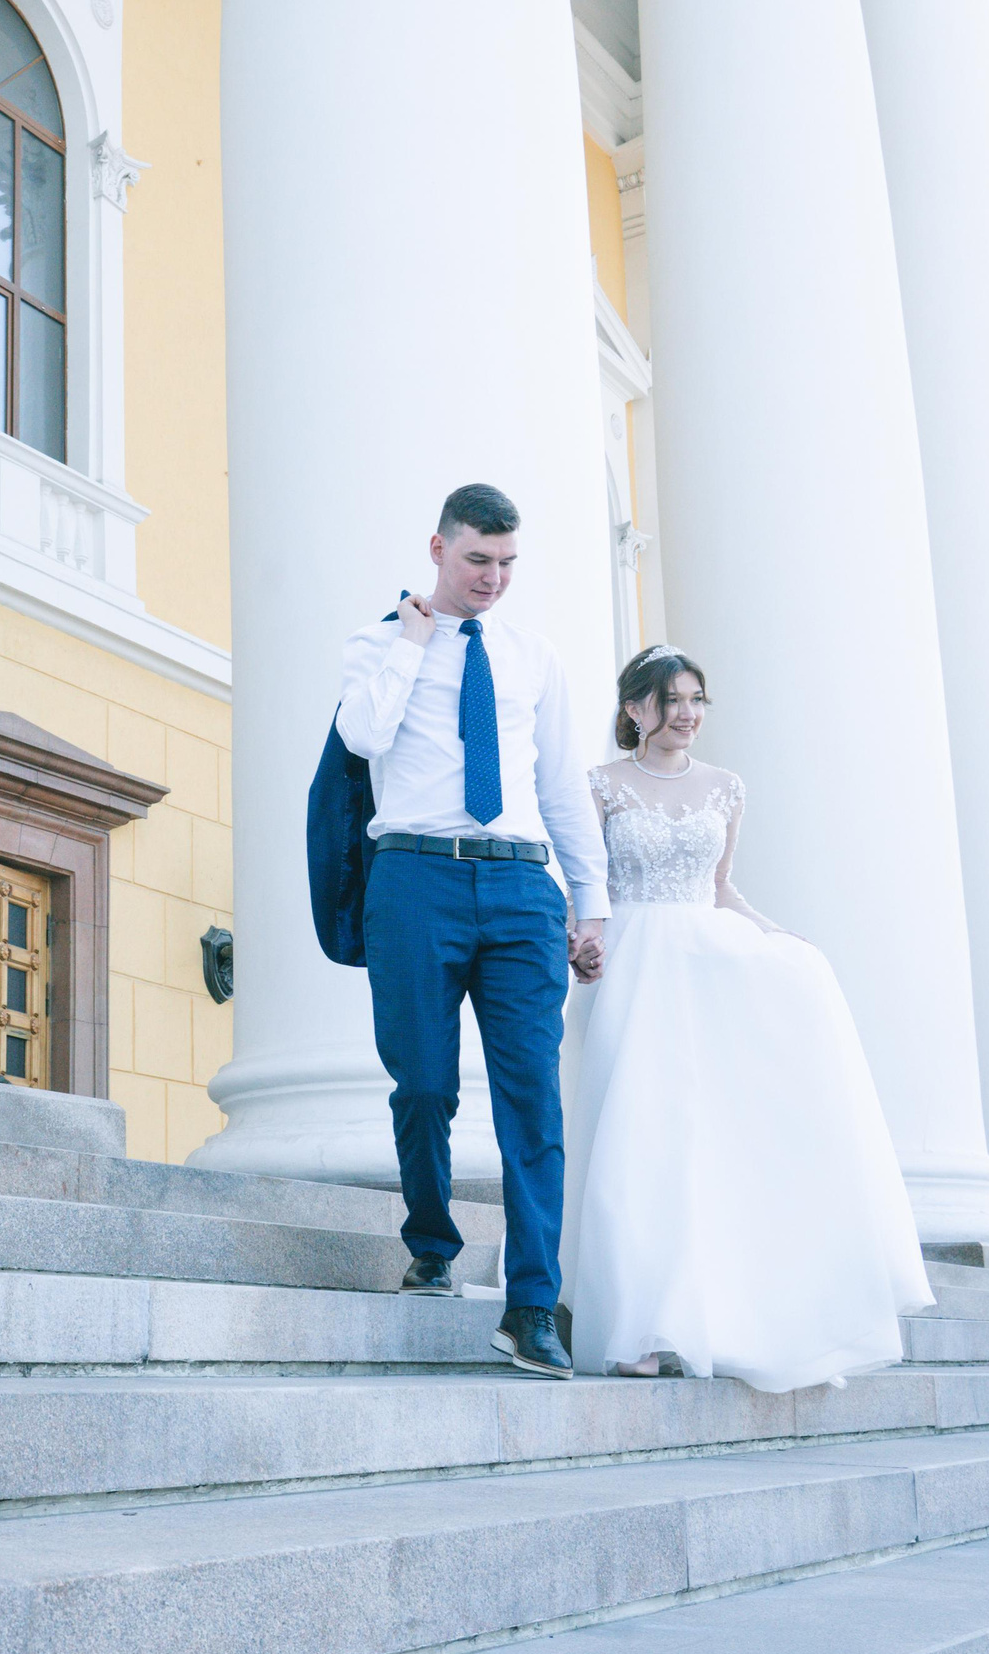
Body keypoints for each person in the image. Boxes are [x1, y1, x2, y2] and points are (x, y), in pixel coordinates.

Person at [561, 645, 933, 1391]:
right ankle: (631, 1323)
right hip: (629, 968)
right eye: (671, 699)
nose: (687, 713)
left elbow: (721, 887)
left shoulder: (726, 786)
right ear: (634, 708)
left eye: (696, 699)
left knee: (696, 1143)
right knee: (632, 1138)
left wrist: (778, 937)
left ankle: (699, 1317)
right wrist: (582, 939)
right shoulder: (601, 785)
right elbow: (584, 882)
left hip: (703, 970)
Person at [335, 483, 607, 1379]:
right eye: (477, 560)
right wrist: (413, 646)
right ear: (438, 549)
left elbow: (560, 783)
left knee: (534, 1097)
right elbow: (363, 736)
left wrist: (590, 900)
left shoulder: (533, 657)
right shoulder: (378, 643)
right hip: (415, 877)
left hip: (522, 883)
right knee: (422, 1083)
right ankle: (431, 1243)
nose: (493, 578)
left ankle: (531, 1305)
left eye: (507, 562)